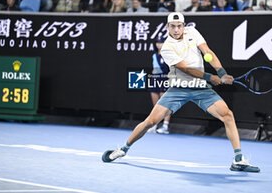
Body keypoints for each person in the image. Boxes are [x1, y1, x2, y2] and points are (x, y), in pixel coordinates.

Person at [102, 12, 261, 173]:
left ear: (184, 26)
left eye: (179, 26)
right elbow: (185, 68)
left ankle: (238, 159)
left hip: (200, 88)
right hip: (178, 88)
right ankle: (123, 149)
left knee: (227, 115)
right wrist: (211, 77)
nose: (176, 29)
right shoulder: (167, 47)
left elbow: (208, 52)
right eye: (173, 26)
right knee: (150, 121)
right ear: (167, 27)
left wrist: (222, 73)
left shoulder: (192, 32)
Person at [147, 35, 170, 134]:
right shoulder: (154, 55)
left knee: (165, 105)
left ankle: (165, 126)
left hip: (165, 79)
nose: (159, 44)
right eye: (157, 42)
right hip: (154, 80)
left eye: (161, 42)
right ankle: (154, 125)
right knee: (156, 105)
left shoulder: (169, 55)